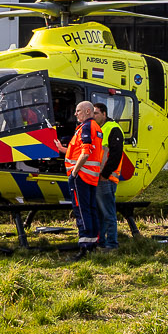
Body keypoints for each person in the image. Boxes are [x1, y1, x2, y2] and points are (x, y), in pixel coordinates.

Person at [64, 100, 103, 249]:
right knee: (91, 209)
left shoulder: (86, 127)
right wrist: (63, 149)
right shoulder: (96, 127)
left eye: (78, 111)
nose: (75, 114)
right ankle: (93, 242)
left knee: (81, 209)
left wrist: (74, 172)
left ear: (87, 111)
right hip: (91, 176)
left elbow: (85, 153)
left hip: (81, 176)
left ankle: (85, 244)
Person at [91, 101, 127, 250]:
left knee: (108, 213)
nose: (93, 116)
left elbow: (116, 154)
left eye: (96, 113)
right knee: (102, 213)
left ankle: (112, 244)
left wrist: (105, 174)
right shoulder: (100, 128)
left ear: (104, 114)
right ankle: (101, 242)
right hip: (99, 178)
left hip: (106, 178)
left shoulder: (113, 128)